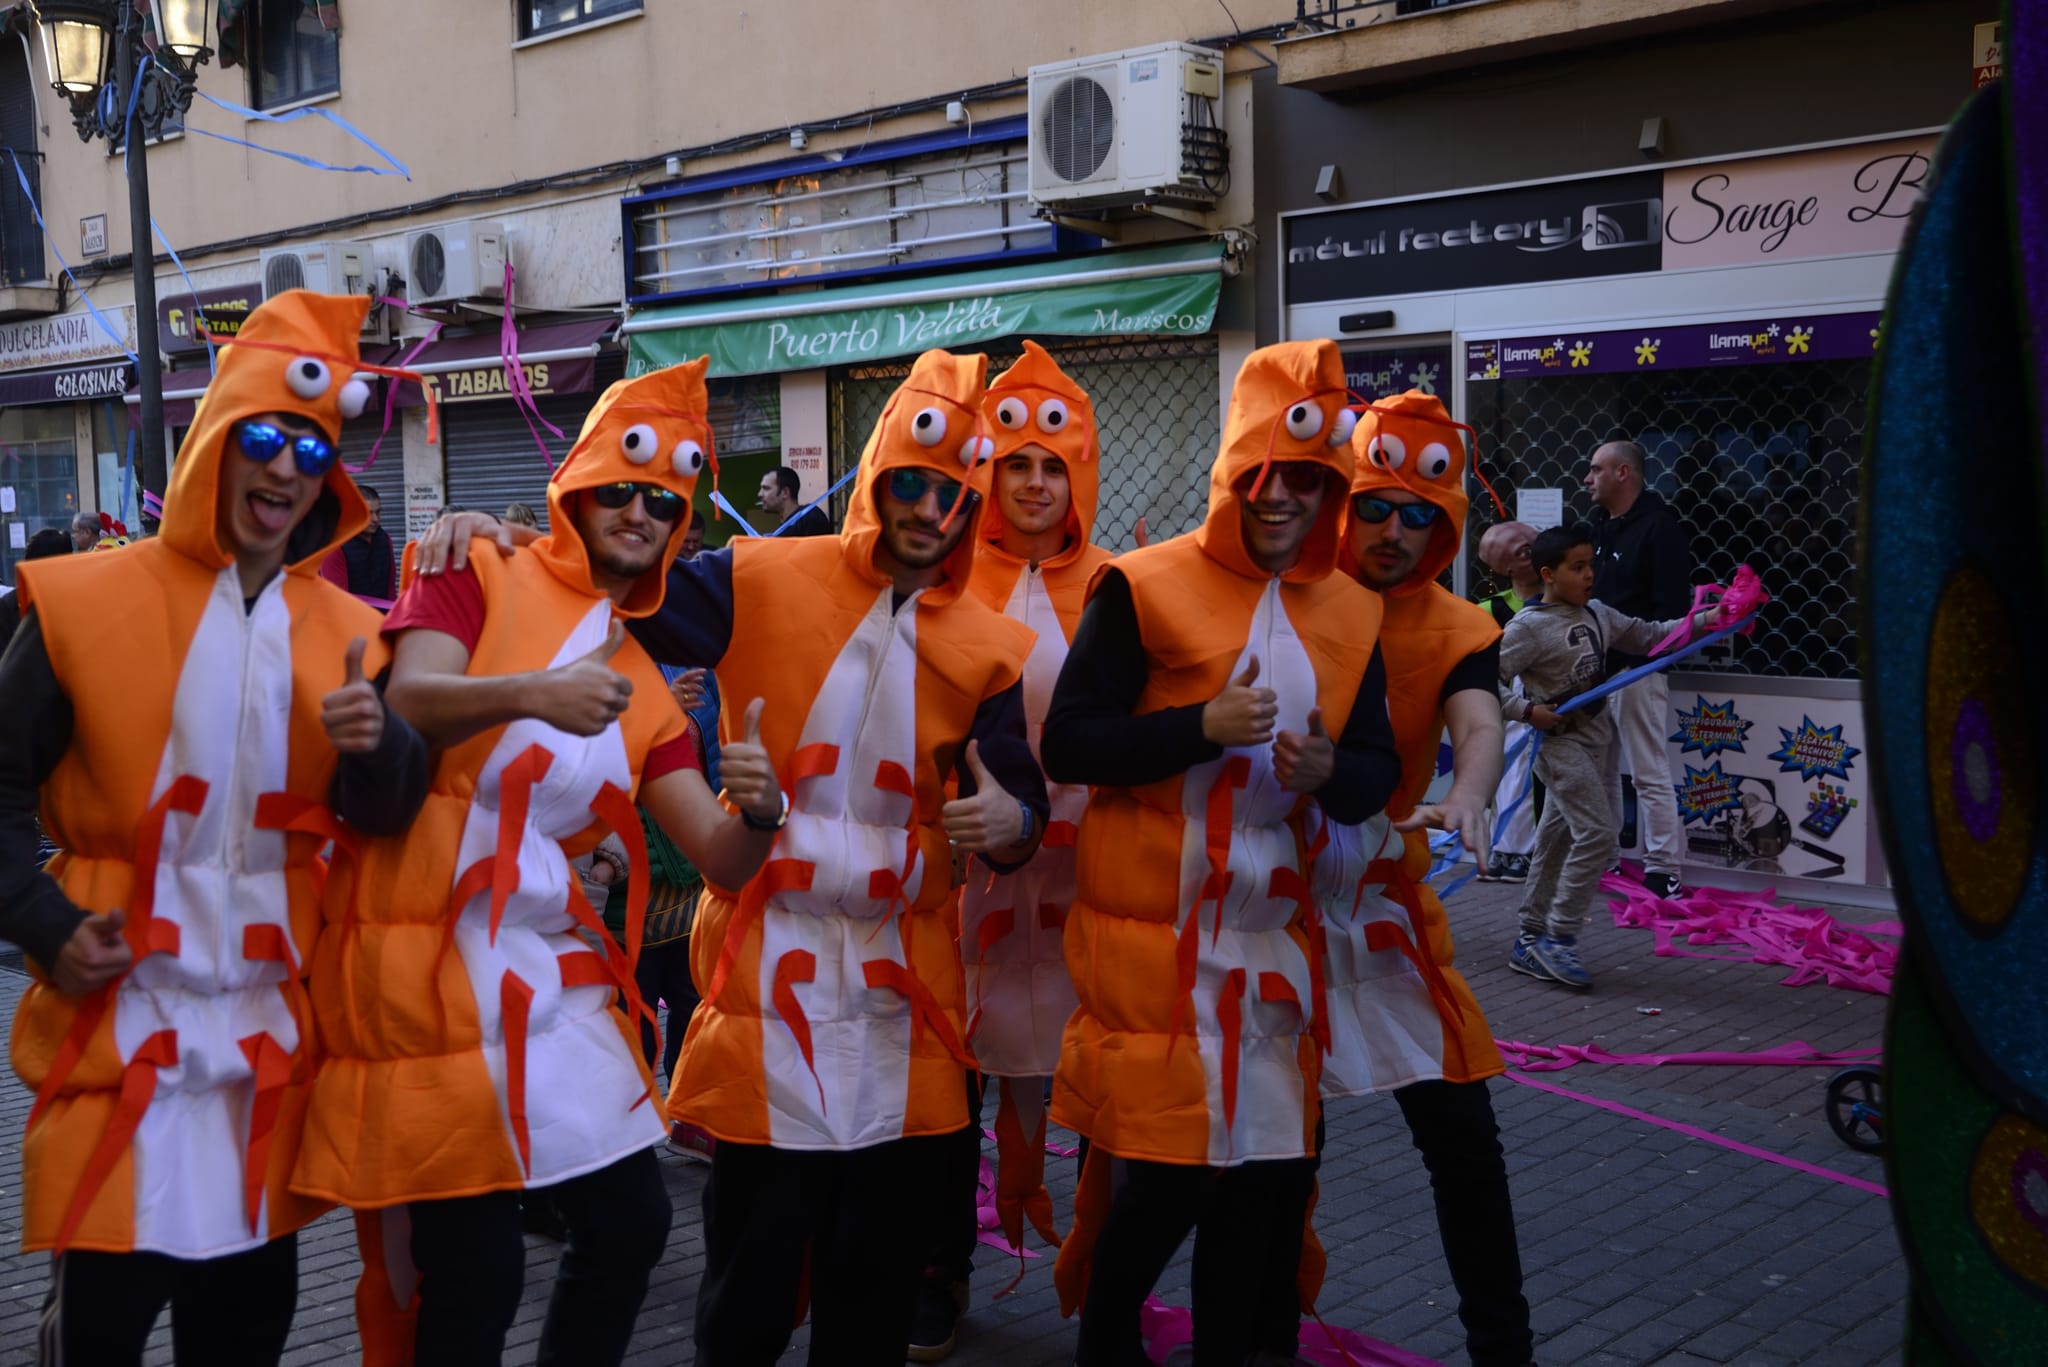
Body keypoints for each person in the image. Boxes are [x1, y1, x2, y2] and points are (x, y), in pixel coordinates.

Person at [413, 347, 1049, 1367]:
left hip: (906, 997)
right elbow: (615, 580)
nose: (931, 509)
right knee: (748, 1280)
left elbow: (1018, 807)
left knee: (871, 1286)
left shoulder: (991, 647)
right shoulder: (760, 575)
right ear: (878, 477)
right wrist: (508, 540)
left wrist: (1010, 823)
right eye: (912, 483)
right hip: (766, 976)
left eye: (953, 494)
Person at [294, 358, 785, 1367]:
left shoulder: (640, 677)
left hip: (544, 976)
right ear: (578, 485)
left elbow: (718, 857)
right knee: (474, 1274)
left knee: (631, 1223)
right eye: (623, 487)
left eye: (665, 500)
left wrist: (764, 811)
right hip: (419, 967)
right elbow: (409, 699)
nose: (641, 511)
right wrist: (530, 692)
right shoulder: (474, 563)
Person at [0, 290, 430, 1366]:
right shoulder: (81, 605)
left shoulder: (351, 632)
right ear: (214, 442)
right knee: (97, 1334)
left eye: (312, 450)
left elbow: (387, 813)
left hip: (261, 1059)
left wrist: (379, 742)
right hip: (120, 1040)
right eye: (265, 438)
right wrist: (45, 921)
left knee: (244, 1336)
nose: (286, 468)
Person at [1041, 339, 1402, 1367]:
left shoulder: (1353, 609)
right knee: (1165, 1184)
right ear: (1233, 471)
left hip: (1272, 947)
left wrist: (1330, 769)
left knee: (1269, 1184)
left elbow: (1375, 771)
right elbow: (1070, 742)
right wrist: (1196, 726)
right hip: (1152, 948)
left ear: (1331, 489)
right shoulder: (1141, 584)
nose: (1280, 496)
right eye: (1262, 474)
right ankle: (1106, 1344)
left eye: (1307, 479)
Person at [1309, 391, 1533, 1367]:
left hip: (1382, 902)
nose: (1393, 530)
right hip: (1267, 904)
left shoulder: (1458, 625)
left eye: (1417, 514)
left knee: (1462, 1132)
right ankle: (1261, 1330)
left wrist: (1471, 793)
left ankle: (1504, 1348)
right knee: (1281, 1144)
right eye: (1373, 506)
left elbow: (1477, 719)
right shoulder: (1284, 598)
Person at [911, 341, 1114, 1362]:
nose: (1034, 484)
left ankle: (1105, 1272)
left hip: (1093, 885)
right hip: (965, 881)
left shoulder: (1121, 583)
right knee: (951, 1085)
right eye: (1015, 463)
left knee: (1103, 1078)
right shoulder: (940, 579)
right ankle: (937, 1272)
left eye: (1053, 465)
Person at [1500, 523, 1720, 989]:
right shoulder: (1528, 628)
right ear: (1548, 574)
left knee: (1555, 840)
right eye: (1577, 567)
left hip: (1593, 743)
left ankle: (1530, 936)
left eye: (1591, 565)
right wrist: (1527, 711)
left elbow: (1650, 635)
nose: (1589, 575)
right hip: (1559, 747)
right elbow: (1485, 680)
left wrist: (1708, 619)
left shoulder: (1598, 613)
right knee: (1598, 834)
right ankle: (1559, 937)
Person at [1585, 439, 1691, 898]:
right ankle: (1605, 858)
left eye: (1596, 469)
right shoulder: (1597, 527)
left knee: (1647, 771)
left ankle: (1664, 868)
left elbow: (1673, 610)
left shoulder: (1659, 528)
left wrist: (1642, 660)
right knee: (1601, 772)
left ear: (1622, 472)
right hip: (1595, 670)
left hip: (1639, 669)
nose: (1588, 479)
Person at [1474, 520, 1543, 884]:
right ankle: (1503, 846)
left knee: (1530, 773)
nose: (1536, 556)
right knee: (1503, 771)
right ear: (1506, 567)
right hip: (1505, 704)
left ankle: (1525, 849)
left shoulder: (1556, 602)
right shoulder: (1488, 609)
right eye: (1525, 551)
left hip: (1545, 704)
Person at [320, 485, 398, 600]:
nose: (375, 519)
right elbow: (337, 599)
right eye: (368, 513)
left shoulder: (385, 540)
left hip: (383, 611)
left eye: (377, 512)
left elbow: (390, 590)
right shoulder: (335, 547)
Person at [756, 464, 833, 536]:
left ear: (785, 492)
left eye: (766, 488)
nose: (760, 494)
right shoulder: (783, 530)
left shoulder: (809, 517)